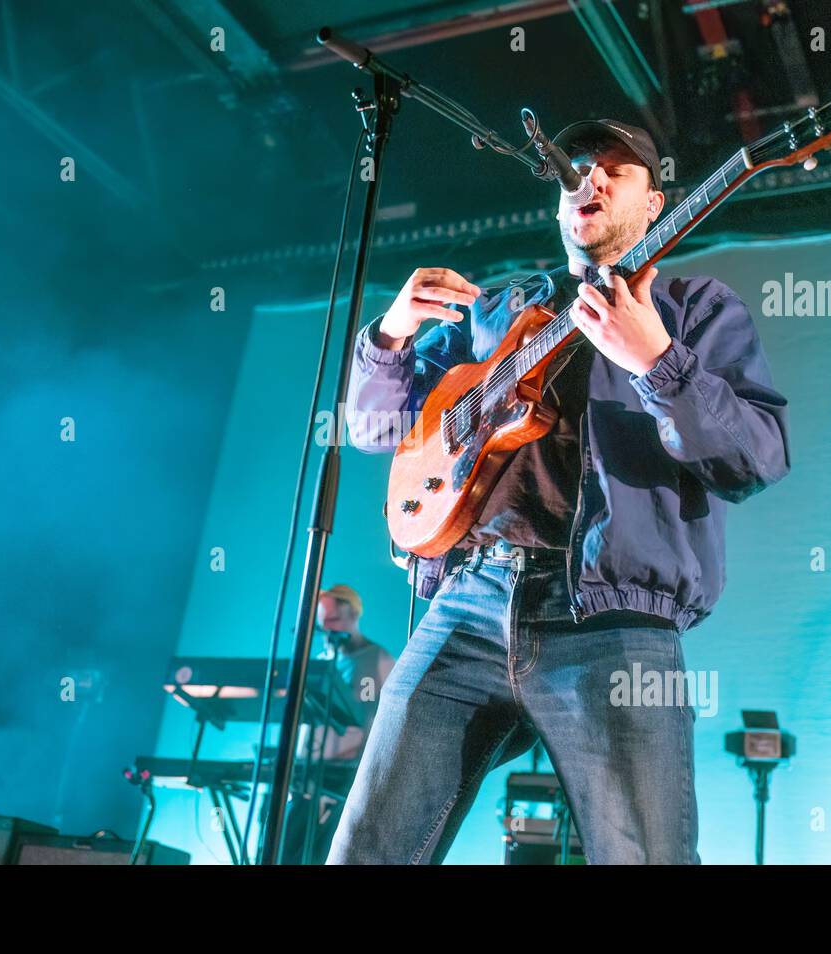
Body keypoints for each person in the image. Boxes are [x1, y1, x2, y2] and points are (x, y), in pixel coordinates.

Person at [328, 119, 791, 864]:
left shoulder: (696, 312)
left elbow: (756, 459)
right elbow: (378, 429)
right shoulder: (495, 314)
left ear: (655, 205)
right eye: (578, 167)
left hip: (617, 619)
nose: (592, 178)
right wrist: (388, 336)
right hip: (469, 601)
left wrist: (659, 362)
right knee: (367, 848)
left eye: (618, 169)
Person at [280, 584, 394, 864]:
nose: (326, 629)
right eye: (322, 623)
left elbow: (386, 725)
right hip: (306, 774)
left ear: (353, 615)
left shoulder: (378, 659)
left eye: (332, 621)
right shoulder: (321, 661)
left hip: (342, 780)